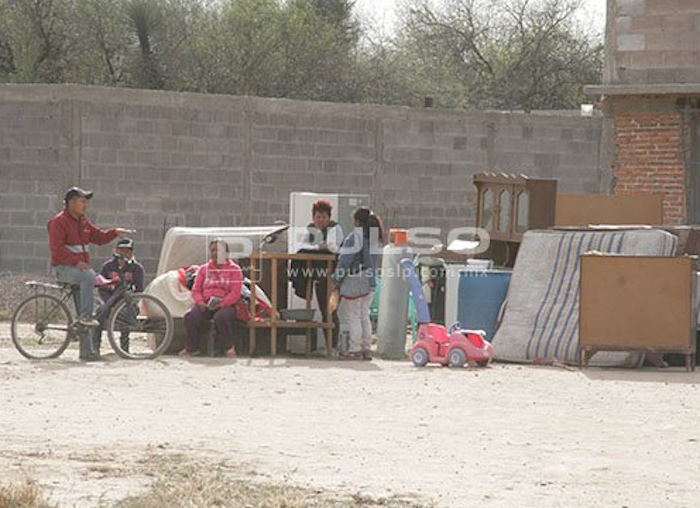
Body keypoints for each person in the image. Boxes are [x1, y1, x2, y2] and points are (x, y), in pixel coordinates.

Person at [47, 186, 132, 361]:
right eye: (82, 201)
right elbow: (56, 250)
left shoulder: (82, 221)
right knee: (89, 277)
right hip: (64, 269)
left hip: (78, 270)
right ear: (71, 203)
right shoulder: (58, 222)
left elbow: (99, 237)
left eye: (86, 201)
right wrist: (75, 261)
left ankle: (87, 352)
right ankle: (85, 318)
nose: (85, 205)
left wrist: (115, 232)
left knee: (87, 305)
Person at [331, 207, 384, 360]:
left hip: (355, 282)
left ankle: (354, 349)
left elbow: (344, 262)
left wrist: (335, 280)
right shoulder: (374, 239)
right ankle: (367, 349)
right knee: (364, 316)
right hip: (371, 282)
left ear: (358, 222)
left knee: (353, 316)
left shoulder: (354, 238)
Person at [291, 200, 344, 353]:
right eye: (318, 217)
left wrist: (323, 246)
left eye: (323, 217)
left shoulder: (335, 228)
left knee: (331, 310)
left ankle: (333, 347)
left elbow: (334, 247)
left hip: (333, 277)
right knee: (322, 310)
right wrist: (319, 246)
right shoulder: (310, 229)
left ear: (329, 217)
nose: (320, 220)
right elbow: (300, 247)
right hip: (317, 276)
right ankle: (327, 346)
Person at [180, 239, 244, 358]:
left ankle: (229, 347)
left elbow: (235, 293)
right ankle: (191, 349)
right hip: (205, 304)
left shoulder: (235, 270)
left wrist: (222, 303)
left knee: (221, 317)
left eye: (219, 250)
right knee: (190, 316)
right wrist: (200, 302)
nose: (215, 253)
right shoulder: (203, 270)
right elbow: (196, 290)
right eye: (213, 250)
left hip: (225, 305)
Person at [91, 238, 145, 355]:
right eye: (121, 250)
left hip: (128, 303)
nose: (124, 254)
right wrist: (108, 302)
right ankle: (95, 347)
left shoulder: (136, 268)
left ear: (131, 253)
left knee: (126, 315)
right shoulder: (108, 266)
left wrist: (131, 300)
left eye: (127, 251)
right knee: (99, 314)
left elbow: (140, 289)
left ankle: (124, 348)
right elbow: (102, 286)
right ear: (115, 251)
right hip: (110, 301)